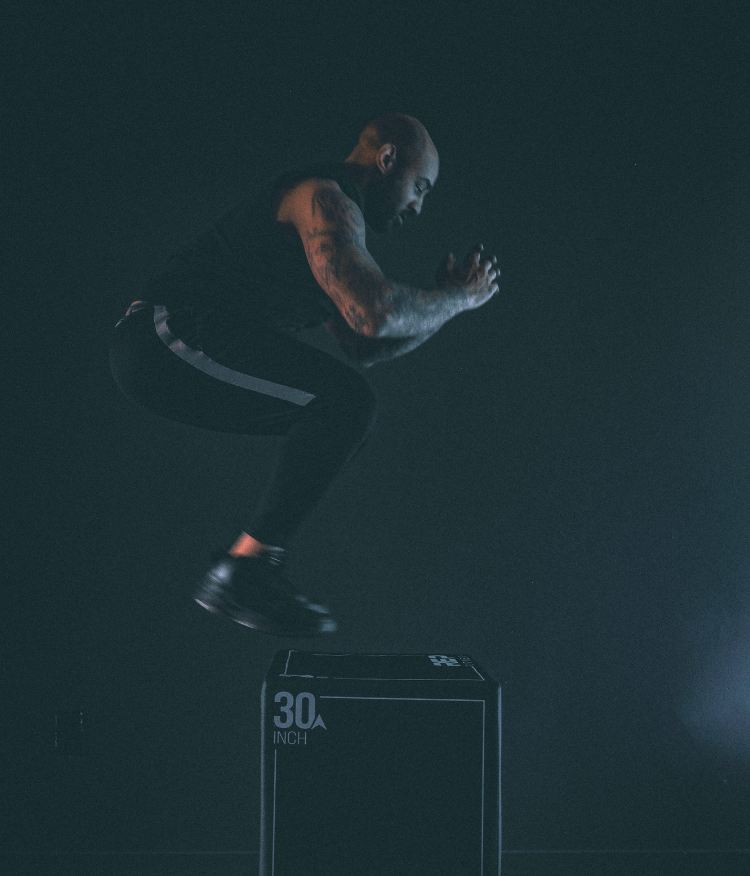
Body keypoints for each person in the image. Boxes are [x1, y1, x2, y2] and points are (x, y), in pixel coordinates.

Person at [109, 113, 499, 637]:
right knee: (345, 403)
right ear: (387, 160)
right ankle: (243, 571)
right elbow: (376, 312)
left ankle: (246, 567)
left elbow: (363, 346)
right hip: (162, 333)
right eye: (419, 187)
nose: (418, 206)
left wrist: (451, 307)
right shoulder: (324, 198)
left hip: (183, 342)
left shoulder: (338, 235)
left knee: (345, 408)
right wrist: (456, 297)